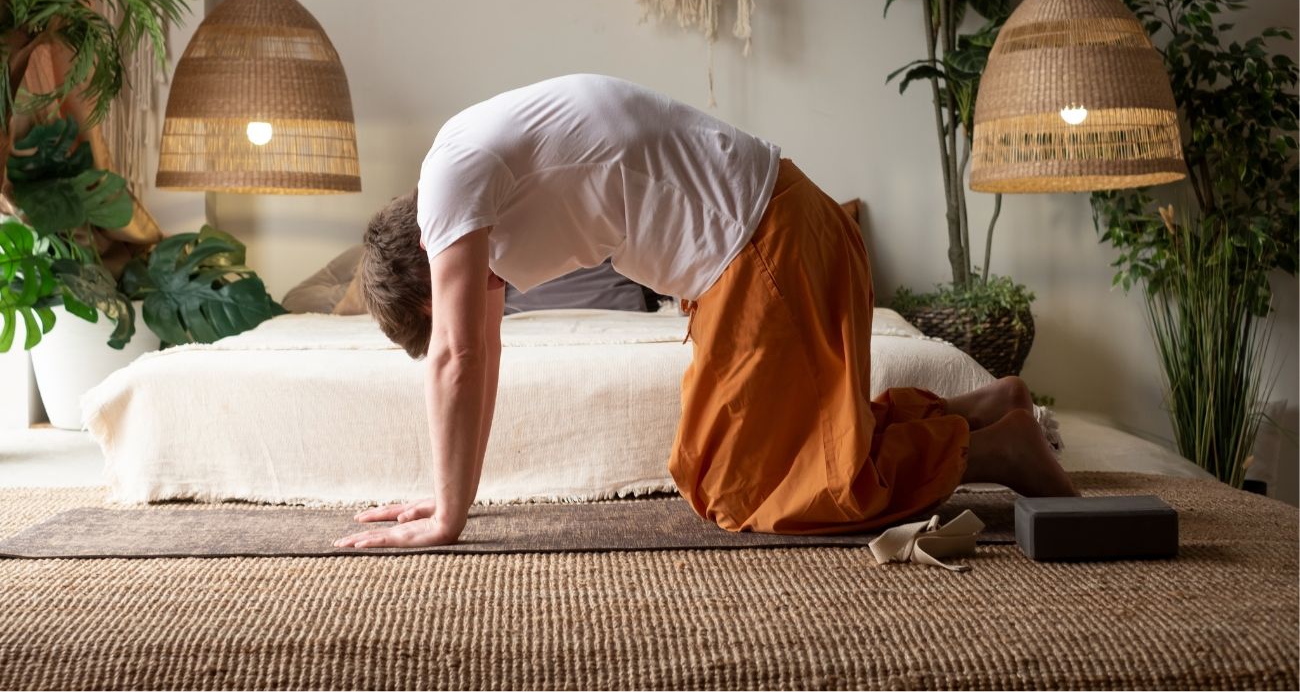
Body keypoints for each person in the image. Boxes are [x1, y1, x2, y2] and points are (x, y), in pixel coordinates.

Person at [334, 74, 1076, 549]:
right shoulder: (474, 168)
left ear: (433, 278)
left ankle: (996, 453)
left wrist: (445, 521)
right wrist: (446, 495)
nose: (480, 302)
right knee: (780, 448)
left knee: (739, 485)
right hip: (779, 235)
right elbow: (481, 357)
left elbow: (457, 358)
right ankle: (983, 409)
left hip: (771, 249)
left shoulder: (449, 186)